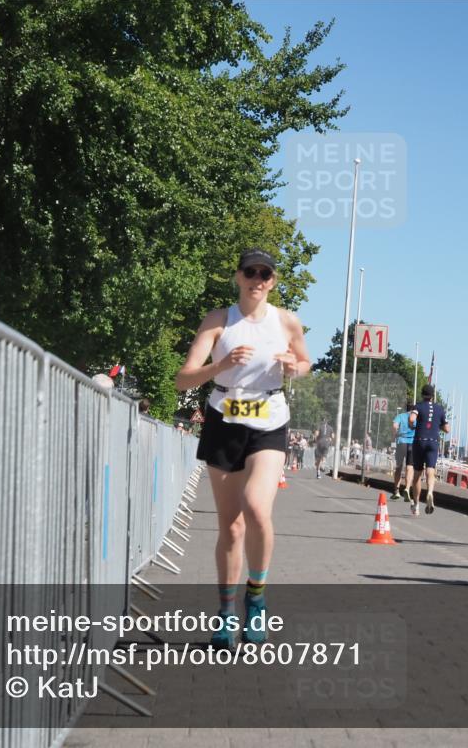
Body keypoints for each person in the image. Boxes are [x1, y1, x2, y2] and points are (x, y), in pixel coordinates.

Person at [175, 248, 311, 647]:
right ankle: (225, 612)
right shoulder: (218, 320)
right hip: (223, 418)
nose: (258, 279)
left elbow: (305, 363)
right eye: (250, 272)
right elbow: (183, 380)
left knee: (256, 506)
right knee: (230, 527)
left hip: (269, 420)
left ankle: (257, 597)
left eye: (265, 274)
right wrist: (220, 365)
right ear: (237, 276)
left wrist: (293, 367)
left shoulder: (287, 321)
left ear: (273, 280)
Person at [408, 384, 450, 517]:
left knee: (417, 475)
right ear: (433, 396)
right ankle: (430, 491)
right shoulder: (440, 409)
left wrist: (412, 425)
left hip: (419, 440)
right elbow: (447, 429)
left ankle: (416, 506)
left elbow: (411, 419)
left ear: (422, 394)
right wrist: (437, 426)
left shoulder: (418, 406)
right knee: (430, 470)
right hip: (433, 441)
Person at [391, 400, 416, 502]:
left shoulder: (400, 416)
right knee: (410, 467)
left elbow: (394, 426)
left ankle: (396, 491)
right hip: (412, 443)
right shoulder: (415, 417)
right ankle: (407, 489)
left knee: (398, 467)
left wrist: (395, 435)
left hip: (401, 442)